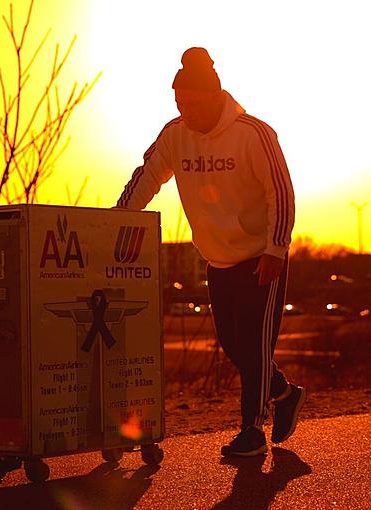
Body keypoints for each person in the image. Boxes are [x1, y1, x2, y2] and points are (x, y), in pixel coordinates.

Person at [115, 47, 304, 457]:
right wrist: (118, 218)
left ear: (215, 95)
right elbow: (147, 177)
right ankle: (284, 395)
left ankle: (252, 430)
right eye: (181, 103)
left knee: (254, 346)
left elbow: (281, 193)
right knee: (233, 345)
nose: (187, 111)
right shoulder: (175, 134)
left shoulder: (254, 133)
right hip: (217, 258)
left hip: (261, 257)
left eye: (194, 103)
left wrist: (276, 247)